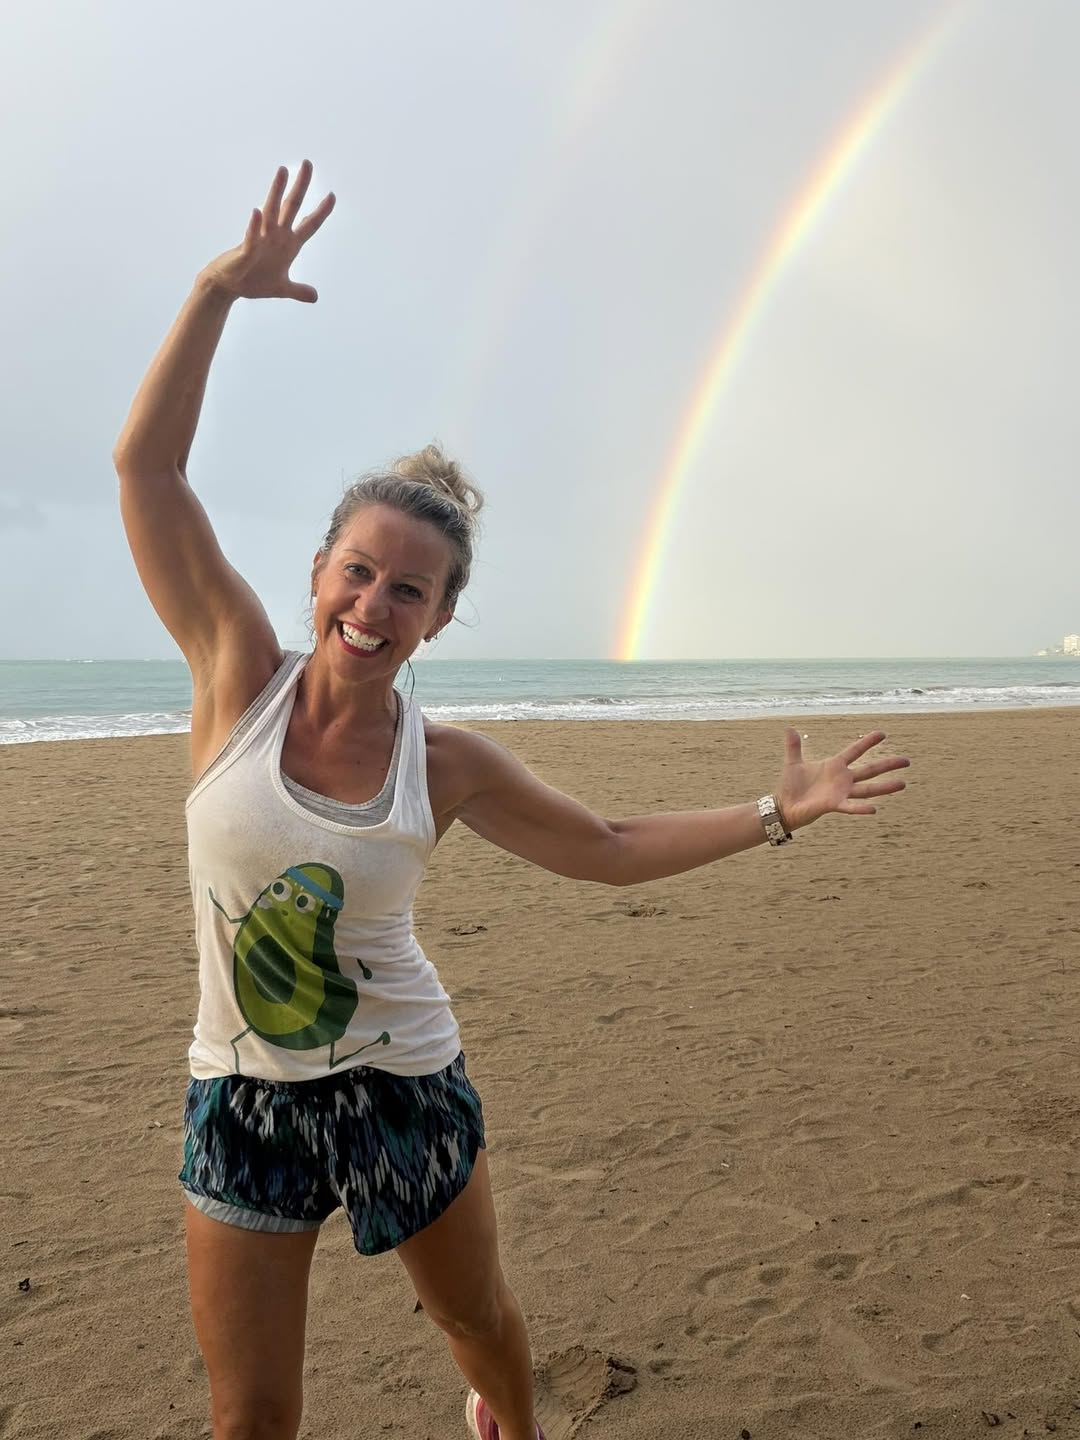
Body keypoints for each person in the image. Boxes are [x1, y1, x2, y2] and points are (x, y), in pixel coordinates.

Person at [113, 162, 910, 1440]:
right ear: (318, 569)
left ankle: (516, 1431)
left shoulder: (449, 762)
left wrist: (778, 815)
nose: (373, 608)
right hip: (241, 1097)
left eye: (409, 592)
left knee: (478, 1325)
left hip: (405, 1087)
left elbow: (604, 844)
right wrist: (217, 288)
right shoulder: (231, 675)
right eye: (359, 573)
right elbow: (147, 473)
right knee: (250, 1414)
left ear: (439, 616)